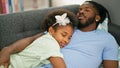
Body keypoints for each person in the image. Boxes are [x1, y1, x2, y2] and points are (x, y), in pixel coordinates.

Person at [0, 1, 119, 68]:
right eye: (80, 10)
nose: (81, 12)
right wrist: (7, 50)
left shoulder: (107, 39)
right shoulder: (65, 29)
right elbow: (33, 40)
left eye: (87, 10)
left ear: (97, 18)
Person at [0, 9, 78, 68]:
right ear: (51, 30)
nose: (66, 40)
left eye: (69, 37)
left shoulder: (45, 37)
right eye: (63, 35)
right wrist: (7, 50)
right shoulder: (50, 43)